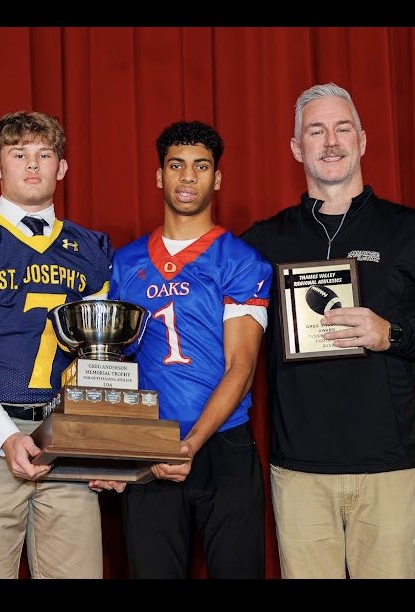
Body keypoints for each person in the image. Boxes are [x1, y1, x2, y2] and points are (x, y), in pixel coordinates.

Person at [241, 83, 415, 578]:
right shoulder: (263, 241)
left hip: (389, 469)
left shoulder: (412, 230)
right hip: (299, 472)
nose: (331, 141)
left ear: (362, 140)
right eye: (316, 130)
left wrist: (391, 335)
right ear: (297, 148)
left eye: (342, 128)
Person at [0, 110, 113, 579]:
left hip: (64, 434)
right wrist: (4, 434)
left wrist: (97, 442)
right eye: (19, 155)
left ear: (62, 167)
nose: (32, 166)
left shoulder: (90, 248)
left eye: (44, 154)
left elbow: (95, 358)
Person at [98, 120, 272, 578]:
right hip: (149, 444)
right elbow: (110, 365)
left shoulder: (241, 261)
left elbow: (242, 365)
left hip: (223, 444)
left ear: (217, 178)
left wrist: (190, 444)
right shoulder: (125, 262)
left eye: (201, 167)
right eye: (176, 166)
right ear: (159, 176)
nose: (188, 177)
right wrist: (107, 450)